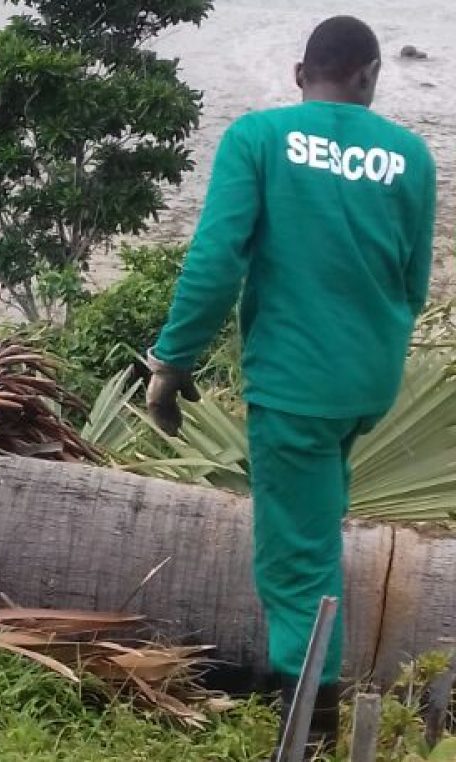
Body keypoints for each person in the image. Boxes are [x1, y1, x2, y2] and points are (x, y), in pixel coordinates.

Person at [145, 16, 435, 754]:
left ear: (299, 72)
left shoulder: (260, 140)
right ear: (369, 76)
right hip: (367, 383)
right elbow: (414, 283)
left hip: (294, 387)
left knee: (293, 555)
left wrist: (171, 364)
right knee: (320, 516)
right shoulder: (411, 155)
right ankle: (313, 705)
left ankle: (307, 730)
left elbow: (216, 261)